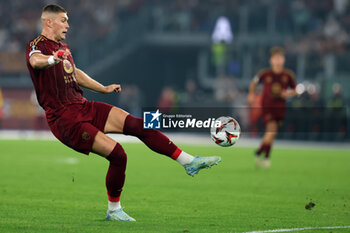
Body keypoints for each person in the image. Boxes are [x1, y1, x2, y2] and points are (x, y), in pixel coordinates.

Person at [25, 4, 221, 222]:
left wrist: (104, 88)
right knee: (118, 154)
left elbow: (75, 73)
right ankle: (114, 209)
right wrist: (53, 58)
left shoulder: (64, 47)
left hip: (82, 105)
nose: (68, 25)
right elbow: (36, 61)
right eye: (63, 20)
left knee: (140, 125)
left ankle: (188, 161)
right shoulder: (36, 46)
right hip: (64, 119)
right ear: (48, 22)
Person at [248, 47, 297, 169]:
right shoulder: (265, 74)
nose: (278, 60)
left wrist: (288, 93)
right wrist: (251, 94)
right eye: (275, 58)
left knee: (272, 134)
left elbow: (296, 90)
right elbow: (254, 82)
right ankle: (262, 155)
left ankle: (263, 155)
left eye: (280, 58)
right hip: (267, 107)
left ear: (283, 60)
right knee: (272, 130)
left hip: (280, 108)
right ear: (271, 60)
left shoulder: (288, 75)